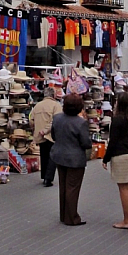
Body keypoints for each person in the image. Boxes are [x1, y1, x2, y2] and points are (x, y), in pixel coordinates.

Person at [102, 91, 128, 229]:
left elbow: (113, 141)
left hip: (121, 155)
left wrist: (106, 158)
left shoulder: (117, 119)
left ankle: (126, 221)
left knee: (123, 188)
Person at [50, 93, 92, 226]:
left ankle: (63, 215)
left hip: (59, 155)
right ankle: (72, 218)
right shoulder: (81, 123)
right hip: (75, 159)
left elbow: (53, 135)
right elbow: (86, 143)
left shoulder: (57, 118)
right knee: (72, 188)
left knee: (63, 186)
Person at [30, 86, 61, 187]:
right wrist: (46, 130)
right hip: (51, 134)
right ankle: (48, 178)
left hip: (39, 134)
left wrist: (36, 129)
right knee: (52, 157)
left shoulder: (37, 106)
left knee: (44, 155)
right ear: (53, 95)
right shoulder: (56, 106)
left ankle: (44, 176)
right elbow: (56, 120)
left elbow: (31, 120)